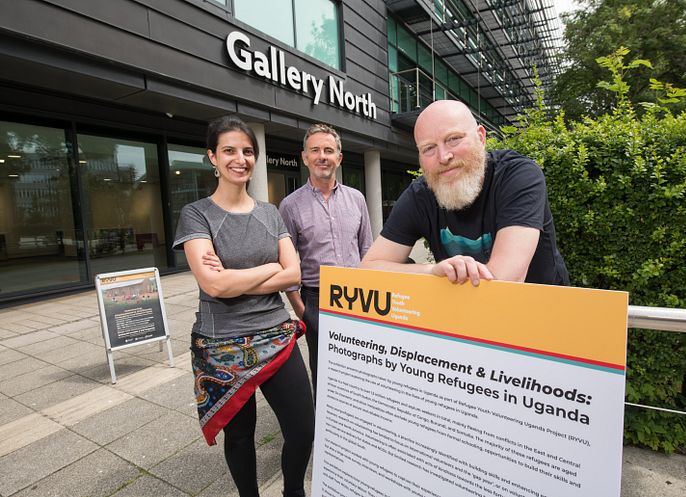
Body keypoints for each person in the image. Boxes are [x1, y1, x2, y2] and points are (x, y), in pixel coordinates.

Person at [172, 115, 314, 497]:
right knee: (239, 436)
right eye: (229, 150)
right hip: (222, 346)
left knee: (303, 428)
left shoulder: (270, 212)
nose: (240, 158)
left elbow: (294, 274)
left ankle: (293, 491)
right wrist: (271, 267)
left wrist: (241, 277)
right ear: (212, 158)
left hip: (276, 336)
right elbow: (214, 284)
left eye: (248, 151)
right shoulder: (197, 214)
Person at [361, 99, 569, 287]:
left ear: (481, 137)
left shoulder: (518, 176)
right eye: (429, 148)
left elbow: (504, 282)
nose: (444, 156)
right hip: (468, 320)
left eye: (453, 139)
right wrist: (431, 271)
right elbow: (368, 269)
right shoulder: (420, 195)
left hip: (543, 315)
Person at [279, 123, 373, 394]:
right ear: (305, 157)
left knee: (363, 364)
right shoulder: (290, 205)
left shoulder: (357, 199)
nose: (323, 156)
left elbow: (367, 249)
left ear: (339, 158)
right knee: (324, 370)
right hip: (317, 299)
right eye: (315, 150)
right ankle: (327, 432)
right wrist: (300, 308)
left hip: (359, 297)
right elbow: (287, 262)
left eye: (329, 150)